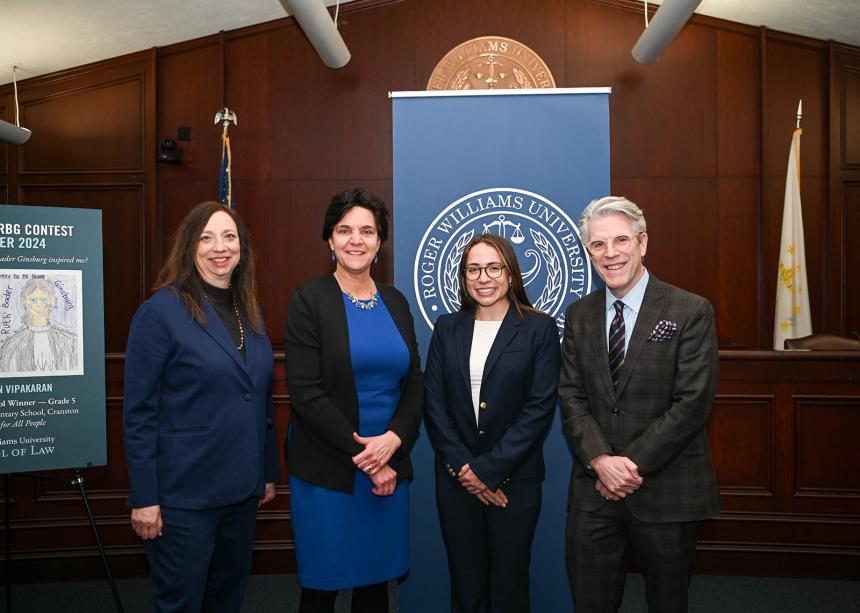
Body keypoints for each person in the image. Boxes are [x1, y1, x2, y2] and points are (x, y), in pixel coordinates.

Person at [558, 196, 720, 613]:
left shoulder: (690, 310)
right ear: (589, 252)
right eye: (598, 244)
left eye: (621, 240)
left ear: (643, 243)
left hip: (668, 489)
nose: (610, 253)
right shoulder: (578, 315)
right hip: (594, 491)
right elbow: (571, 395)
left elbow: (692, 402)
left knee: (667, 602)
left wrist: (627, 467)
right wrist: (600, 461)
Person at [123, 201, 279, 612]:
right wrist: (144, 497)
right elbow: (139, 413)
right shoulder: (160, 312)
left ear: (242, 247)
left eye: (229, 237)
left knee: (227, 599)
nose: (219, 247)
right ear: (189, 246)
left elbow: (259, 397)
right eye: (206, 238)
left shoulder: (251, 312)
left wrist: (266, 473)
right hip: (183, 497)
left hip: (241, 491)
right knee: (182, 603)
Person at [283, 187, 423, 613]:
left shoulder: (396, 302)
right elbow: (306, 393)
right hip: (329, 467)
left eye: (367, 231)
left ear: (380, 242)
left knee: (376, 587)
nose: (356, 240)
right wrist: (370, 459)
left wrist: (393, 441)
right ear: (330, 239)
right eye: (345, 230)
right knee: (322, 587)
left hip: (390, 463)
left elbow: (414, 384)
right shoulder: (309, 300)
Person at [423, 233, 560, 613]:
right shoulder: (447, 327)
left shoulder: (539, 328)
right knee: (466, 585)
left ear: (511, 274)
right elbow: (434, 403)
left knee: (508, 586)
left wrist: (488, 471)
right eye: (474, 269)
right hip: (456, 480)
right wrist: (466, 470)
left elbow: (538, 408)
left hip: (515, 480)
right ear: (464, 278)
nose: (484, 278)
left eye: (494, 268)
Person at [0, 278, 78, 373]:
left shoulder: (69, 341)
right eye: (33, 299)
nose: (38, 304)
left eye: (43, 299)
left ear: (51, 301)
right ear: (25, 302)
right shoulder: (12, 345)